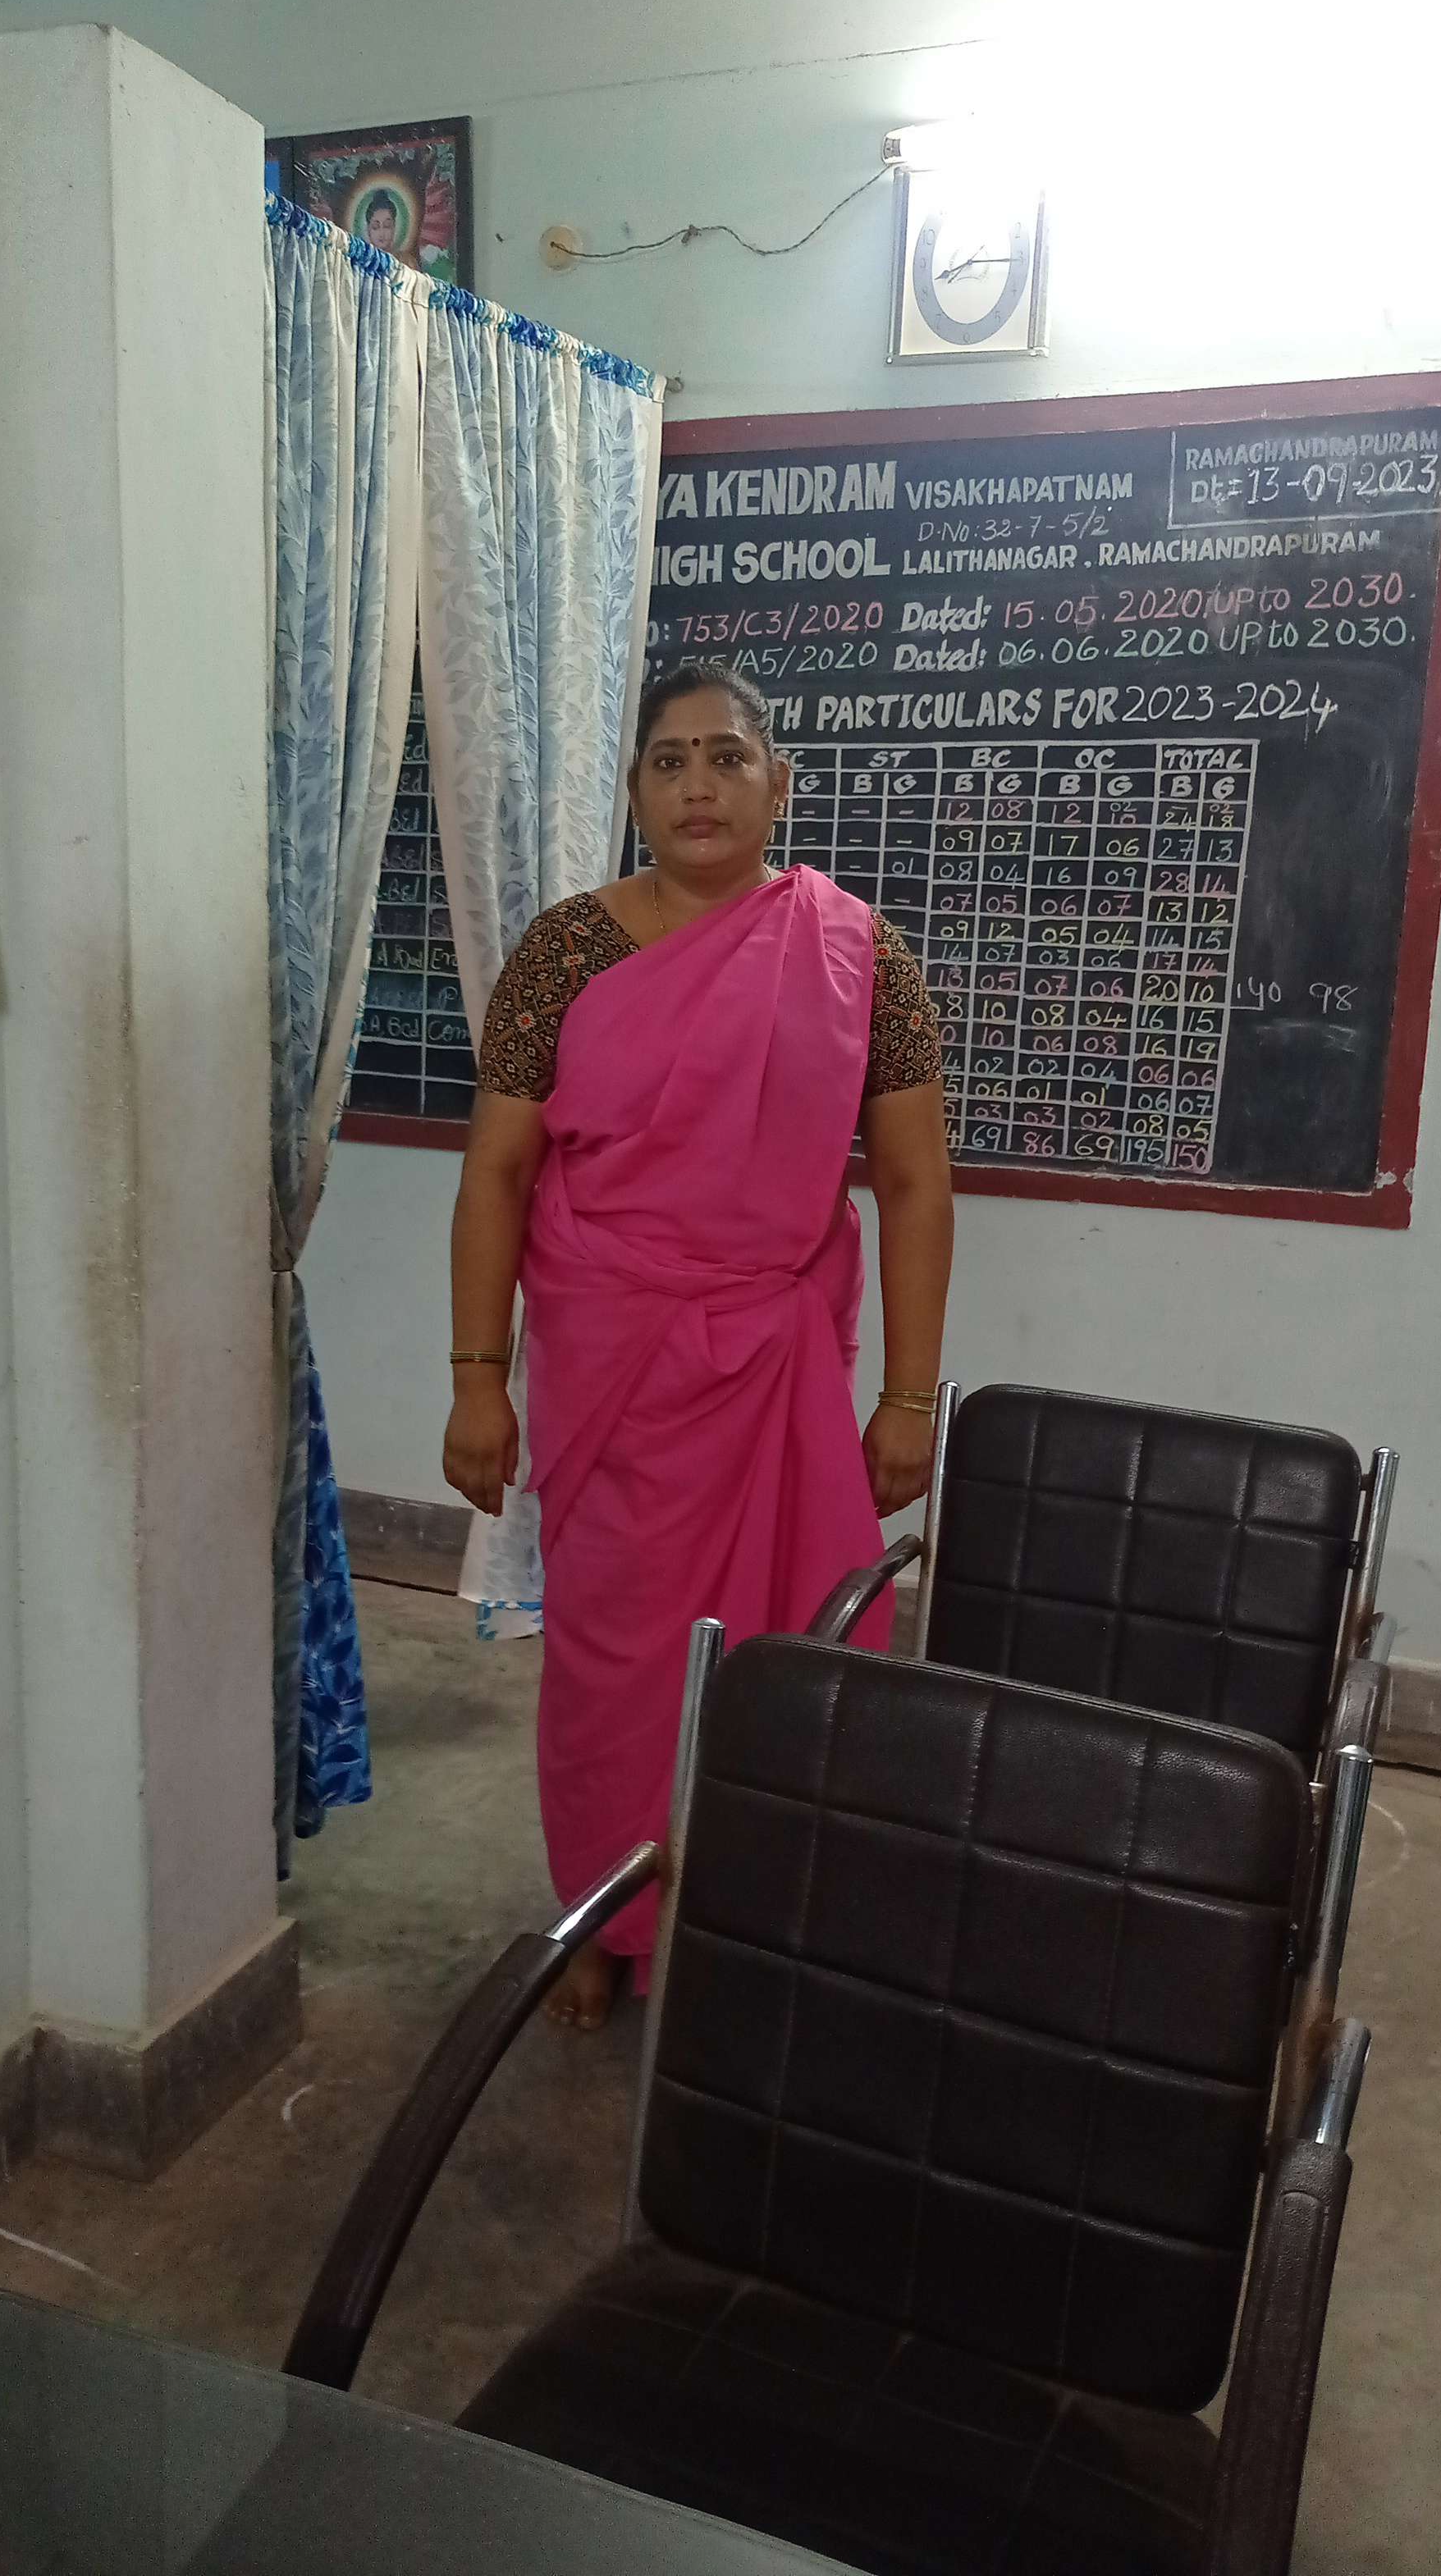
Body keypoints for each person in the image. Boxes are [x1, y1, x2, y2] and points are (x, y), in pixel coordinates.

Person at [443, 662, 954, 2028]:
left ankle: (748, 1917)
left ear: (779, 783)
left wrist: (910, 1396)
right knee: (610, 1660)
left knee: (782, 1657)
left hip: (775, 1375)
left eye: (726, 757)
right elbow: (496, 1172)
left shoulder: (859, 955)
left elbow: (915, 1183)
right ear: (635, 793)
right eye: (667, 762)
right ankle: (604, 1914)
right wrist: (478, 1380)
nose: (698, 786)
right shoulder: (564, 953)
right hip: (610, 1370)